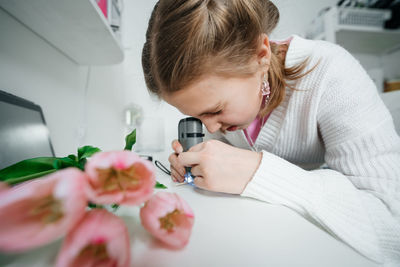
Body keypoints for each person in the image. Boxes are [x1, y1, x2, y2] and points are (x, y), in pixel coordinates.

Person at [141, 0, 400, 265]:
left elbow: (392, 225)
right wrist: (196, 163)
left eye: (216, 110)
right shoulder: (225, 106)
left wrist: (260, 172)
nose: (209, 128)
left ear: (261, 55)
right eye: (198, 116)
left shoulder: (332, 75)